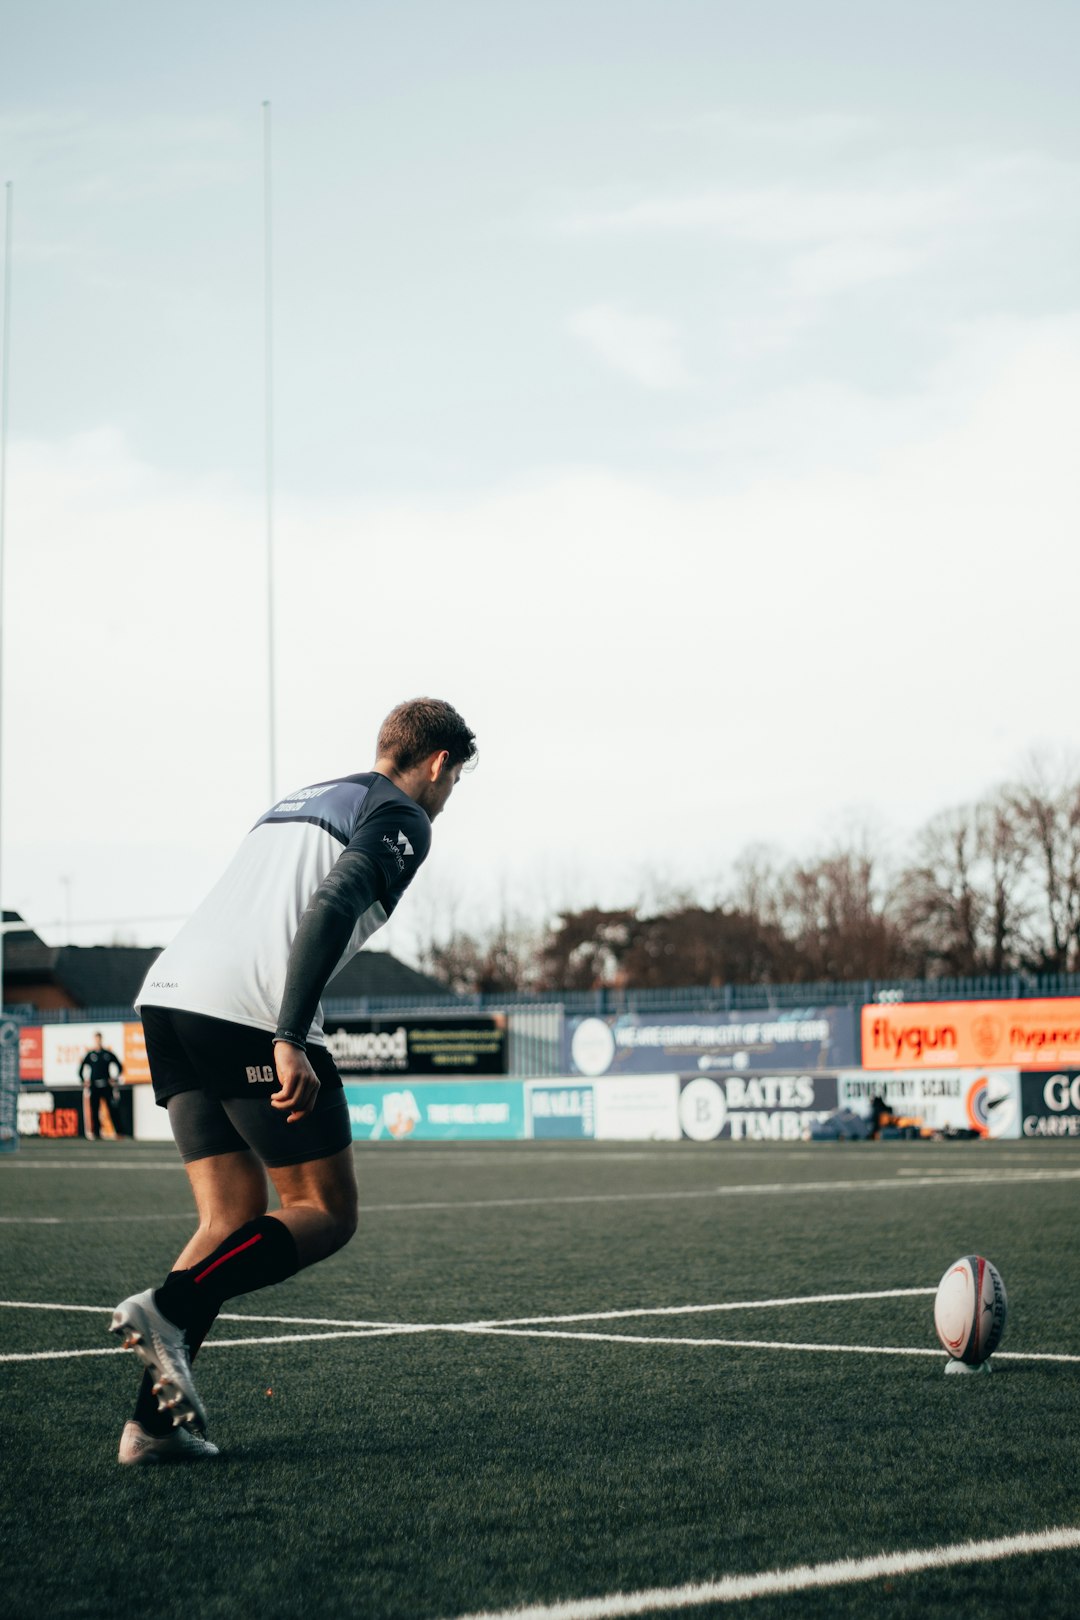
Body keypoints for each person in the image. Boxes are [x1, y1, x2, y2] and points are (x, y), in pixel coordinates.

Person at [110, 697, 476, 1465]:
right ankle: (172, 1310)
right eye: (453, 779)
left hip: (168, 998)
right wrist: (288, 1035)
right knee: (324, 1210)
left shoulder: (302, 798)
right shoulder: (405, 814)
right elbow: (335, 901)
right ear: (437, 762)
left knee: (227, 1216)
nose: (448, 796)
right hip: (249, 1008)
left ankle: (153, 1426)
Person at [79, 1032, 125, 1140]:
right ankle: (96, 1133)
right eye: (96, 1039)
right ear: (94, 1040)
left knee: (112, 1109)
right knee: (94, 1110)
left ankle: (118, 1132)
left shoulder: (107, 1054)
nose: (98, 1041)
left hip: (106, 1086)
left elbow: (119, 1066)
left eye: (99, 1039)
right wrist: (83, 1080)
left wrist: (115, 1078)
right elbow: (81, 1069)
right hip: (94, 1086)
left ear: (101, 1040)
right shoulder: (90, 1055)